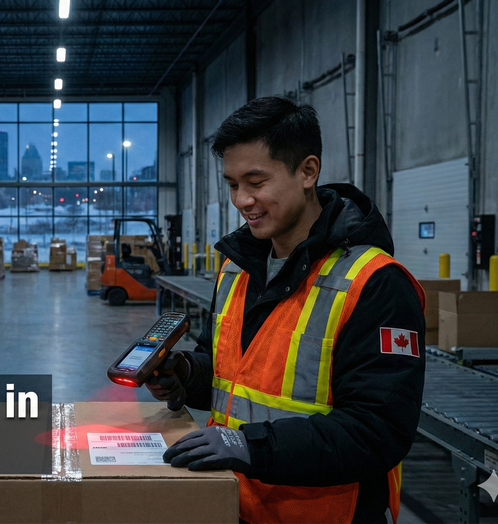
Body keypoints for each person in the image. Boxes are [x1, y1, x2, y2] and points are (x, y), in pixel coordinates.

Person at [147, 96, 426, 524]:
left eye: (255, 182)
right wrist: (187, 374)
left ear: (307, 172)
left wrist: (251, 447)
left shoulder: (375, 283)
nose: (241, 200)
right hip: (236, 503)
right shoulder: (236, 268)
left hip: (325, 514)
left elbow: (378, 430)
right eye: (232, 184)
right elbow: (232, 376)